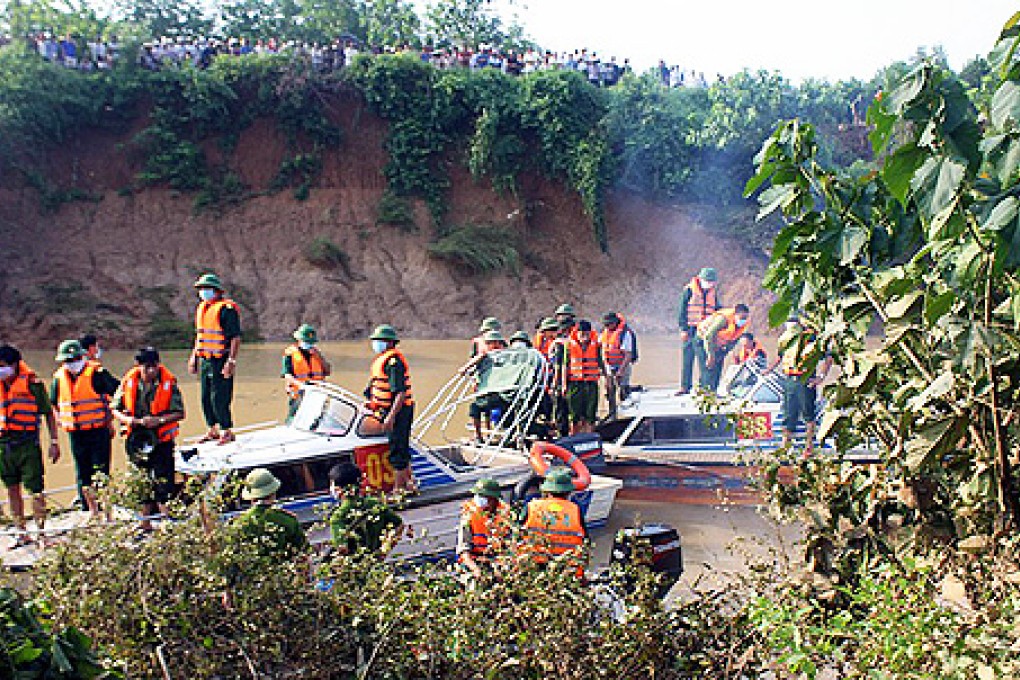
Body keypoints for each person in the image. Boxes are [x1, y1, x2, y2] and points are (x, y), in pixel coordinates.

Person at [111, 347, 185, 531]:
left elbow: (180, 412)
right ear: (139, 366)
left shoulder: (168, 382)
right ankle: (145, 523)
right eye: (147, 368)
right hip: (137, 440)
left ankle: (167, 523)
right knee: (141, 481)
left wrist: (158, 420)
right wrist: (129, 420)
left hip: (161, 440)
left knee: (164, 480)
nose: (151, 371)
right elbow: (115, 408)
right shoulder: (128, 381)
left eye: (154, 367)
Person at [50, 340, 119, 521]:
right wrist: (59, 421)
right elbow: (53, 403)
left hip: (98, 431)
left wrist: (112, 418)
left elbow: (119, 392)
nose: (73, 362)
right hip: (76, 433)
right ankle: (88, 508)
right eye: (68, 360)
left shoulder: (98, 374)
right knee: (82, 471)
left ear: (83, 357)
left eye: (76, 358)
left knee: (101, 469)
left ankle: (106, 509)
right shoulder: (58, 378)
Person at [0, 345, 61, 547]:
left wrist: (54, 441)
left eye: (3, 366)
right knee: (11, 488)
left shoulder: (33, 384)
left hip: (27, 443)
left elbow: (48, 413)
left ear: (15, 365)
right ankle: (21, 532)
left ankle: (42, 533)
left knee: (35, 489)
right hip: (4, 445)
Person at [188, 273, 241, 445]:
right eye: (202, 289)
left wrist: (231, 361)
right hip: (205, 359)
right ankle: (212, 429)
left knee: (219, 397)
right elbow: (200, 336)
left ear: (217, 291)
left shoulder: (227, 310)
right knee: (205, 397)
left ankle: (226, 430)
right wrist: (194, 357)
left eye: (207, 289)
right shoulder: (202, 308)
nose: (204, 292)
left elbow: (235, 338)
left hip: (221, 359)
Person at [365, 325, 416, 492]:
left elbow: (400, 392)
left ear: (389, 342)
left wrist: (391, 417)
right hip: (385, 409)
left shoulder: (394, 362)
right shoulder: (383, 360)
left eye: (379, 341)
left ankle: (398, 489)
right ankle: (409, 482)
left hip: (399, 410)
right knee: (399, 446)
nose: (375, 344)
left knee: (398, 448)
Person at [771, 317, 832, 456]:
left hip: (805, 379)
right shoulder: (785, 339)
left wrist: (821, 377)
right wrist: (769, 370)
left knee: (808, 413)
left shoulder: (810, 338)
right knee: (788, 412)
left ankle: (809, 446)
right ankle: (785, 447)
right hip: (789, 379)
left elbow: (828, 357)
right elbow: (780, 357)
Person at [327, 462, 402, 555]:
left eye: (332, 484)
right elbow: (399, 525)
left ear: (339, 489)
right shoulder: (374, 504)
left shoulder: (338, 517)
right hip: (376, 562)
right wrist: (383, 551)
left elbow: (342, 549)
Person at [232, 468, 308, 559]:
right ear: (273, 493)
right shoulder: (288, 520)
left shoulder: (239, 523)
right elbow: (303, 552)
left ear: (251, 497)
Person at [521, 469, 586, 574]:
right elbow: (585, 542)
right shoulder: (576, 510)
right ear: (569, 492)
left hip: (533, 567)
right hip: (566, 570)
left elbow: (516, 534)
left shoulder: (531, 507)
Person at [677, 267, 721, 395]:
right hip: (691, 328)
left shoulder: (713, 293)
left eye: (712, 282)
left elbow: (717, 309)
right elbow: (682, 310)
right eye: (708, 281)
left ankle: (704, 387)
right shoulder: (689, 290)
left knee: (705, 359)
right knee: (687, 358)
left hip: (705, 332)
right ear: (701, 279)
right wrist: (683, 329)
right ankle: (685, 386)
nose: (710, 284)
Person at [457, 478, 511, 579]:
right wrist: (475, 569)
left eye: (483, 497)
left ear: (493, 499)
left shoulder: (505, 514)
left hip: (498, 560)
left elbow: (511, 546)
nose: (479, 500)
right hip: (474, 561)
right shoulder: (469, 516)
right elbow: (463, 551)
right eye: (478, 496)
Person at [459, 330, 509, 442]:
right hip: (489, 392)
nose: (489, 346)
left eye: (491, 343)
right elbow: (476, 361)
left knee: (502, 410)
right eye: (488, 343)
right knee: (475, 407)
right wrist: (465, 370)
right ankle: (479, 437)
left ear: (498, 343)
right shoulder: (485, 356)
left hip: (504, 394)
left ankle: (506, 436)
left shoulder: (507, 356)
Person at [564, 320, 608, 434]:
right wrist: (564, 384)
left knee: (590, 414)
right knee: (574, 416)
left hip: (591, 384)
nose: (584, 336)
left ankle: (589, 437)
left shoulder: (596, 345)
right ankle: (573, 438)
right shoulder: (568, 345)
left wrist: (607, 379)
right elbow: (565, 365)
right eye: (581, 333)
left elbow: (600, 362)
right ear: (577, 333)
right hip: (575, 384)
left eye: (587, 334)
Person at [696, 304, 750, 392]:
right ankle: (705, 393)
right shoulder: (723, 319)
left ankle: (713, 392)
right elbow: (708, 335)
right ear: (735, 315)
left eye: (745, 318)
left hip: (718, 345)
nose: (743, 320)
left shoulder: (743, 325)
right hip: (703, 341)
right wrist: (711, 355)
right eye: (741, 318)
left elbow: (734, 340)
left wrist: (724, 351)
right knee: (708, 367)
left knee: (718, 367)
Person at [282, 323, 331, 412]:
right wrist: (300, 385)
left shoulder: (316, 354)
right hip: (299, 395)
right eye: (307, 342)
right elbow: (287, 374)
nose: (309, 345)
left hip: (317, 395)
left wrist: (319, 357)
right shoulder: (290, 354)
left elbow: (328, 371)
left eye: (311, 342)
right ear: (299, 340)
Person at [599, 312, 636, 419]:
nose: (607, 327)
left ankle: (628, 415)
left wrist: (620, 371)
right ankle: (612, 415)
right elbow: (601, 352)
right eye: (605, 325)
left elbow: (628, 355)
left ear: (615, 323)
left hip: (622, 365)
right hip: (609, 366)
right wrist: (606, 373)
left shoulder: (625, 334)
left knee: (623, 391)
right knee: (609, 391)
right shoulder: (604, 334)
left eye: (609, 324)